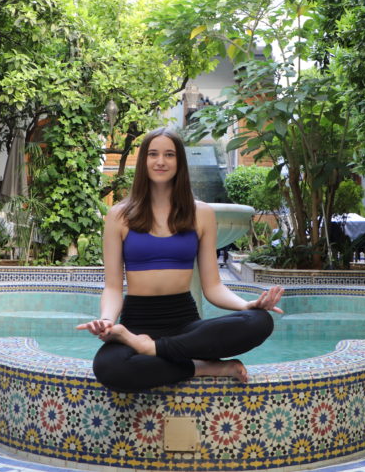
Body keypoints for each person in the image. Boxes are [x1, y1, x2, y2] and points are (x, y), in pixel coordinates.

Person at [77, 128, 283, 392]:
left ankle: (152, 349)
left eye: (169, 155)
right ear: (143, 161)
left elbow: (213, 287)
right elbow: (113, 287)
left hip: (185, 323)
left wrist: (247, 305)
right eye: (153, 154)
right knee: (110, 369)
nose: (160, 161)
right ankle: (202, 367)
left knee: (260, 321)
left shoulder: (201, 213)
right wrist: (107, 319)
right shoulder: (119, 215)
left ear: (179, 162)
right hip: (137, 323)